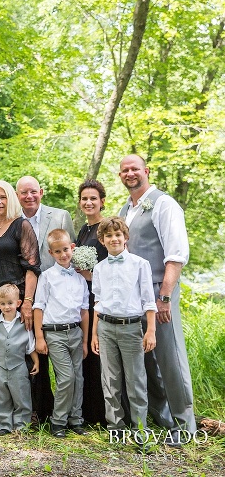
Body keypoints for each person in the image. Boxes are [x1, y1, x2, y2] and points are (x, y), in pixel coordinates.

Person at [117, 154, 194, 444]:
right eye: (124, 170)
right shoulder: (127, 207)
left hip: (159, 290)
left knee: (170, 357)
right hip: (134, 295)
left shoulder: (164, 203)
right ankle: (163, 420)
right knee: (148, 359)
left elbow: (176, 255)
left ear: (146, 171)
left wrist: (165, 296)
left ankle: (186, 426)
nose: (130, 173)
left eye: (134, 169)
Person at [0, 180, 40, 414]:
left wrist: (28, 303)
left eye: (3, 197)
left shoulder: (21, 226)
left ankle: (28, 411)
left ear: (10, 199)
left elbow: (33, 267)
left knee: (19, 354)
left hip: (16, 302)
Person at [91, 216, 157, 435]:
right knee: (110, 381)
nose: (114, 239)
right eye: (108, 235)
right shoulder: (99, 268)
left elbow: (149, 300)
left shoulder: (140, 265)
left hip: (131, 328)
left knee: (136, 380)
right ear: (102, 240)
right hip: (106, 328)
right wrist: (94, 334)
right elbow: (97, 304)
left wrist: (150, 331)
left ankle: (140, 430)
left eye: (118, 234)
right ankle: (115, 428)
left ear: (125, 237)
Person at [16, 175, 71, 422]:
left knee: (62, 355)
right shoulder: (13, 219)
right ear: (17, 196)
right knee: (34, 350)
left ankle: (67, 412)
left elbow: (72, 253)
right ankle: (39, 408)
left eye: (33, 192)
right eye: (23, 193)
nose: (29, 197)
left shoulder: (60, 216)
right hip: (25, 293)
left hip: (59, 296)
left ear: (41, 192)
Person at [33, 229, 89, 437]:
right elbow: (38, 307)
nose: (63, 254)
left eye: (66, 250)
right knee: (66, 378)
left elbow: (84, 311)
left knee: (78, 377)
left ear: (72, 248)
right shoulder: (47, 277)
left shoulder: (80, 278)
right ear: (51, 253)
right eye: (58, 251)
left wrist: (84, 340)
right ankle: (58, 422)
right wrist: (40, 337)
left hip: (75, 332)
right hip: (54, 334)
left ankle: (76, 419)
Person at [74, 179, 108, 426]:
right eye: (84, 198)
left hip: (101, 298)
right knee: (86, 353)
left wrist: (89, 275)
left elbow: (111, 270)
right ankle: (86, 411)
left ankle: (102, 414)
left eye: (93, 198)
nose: (88, 202)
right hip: (84, 298)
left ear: (102, 202)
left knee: (98, 355)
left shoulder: (105, 230)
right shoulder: (84, 230)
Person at [0, 284, 39, 435]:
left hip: (19, 366)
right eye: (3, 304)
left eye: (10, 303)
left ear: (18, 303)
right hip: (0, 367)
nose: (7, 307)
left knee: (21, 395)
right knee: (1, 396)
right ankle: (4, 425)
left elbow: (30, 345)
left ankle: (22, 425)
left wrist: (36, 361)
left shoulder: (24, 324)